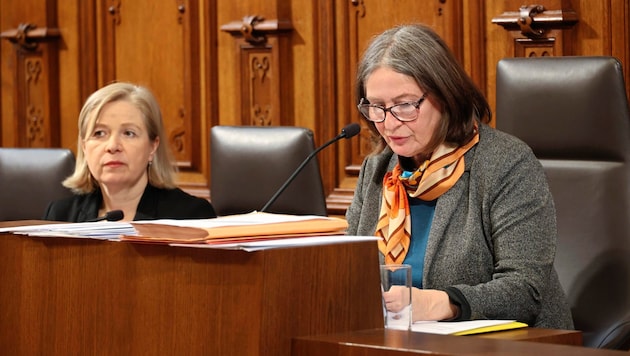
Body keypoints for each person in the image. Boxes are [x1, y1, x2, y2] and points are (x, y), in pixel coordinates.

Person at [346, 23, 573, 329]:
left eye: (404, 105)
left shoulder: (504, 163)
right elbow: (348, 271)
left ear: (445, 94)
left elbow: (524, 291)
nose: (389, 123)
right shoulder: (378, 169)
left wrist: (440, 303)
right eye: (377, 107)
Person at [44, 82, 217, 222]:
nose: (112, 146)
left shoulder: (191, 216)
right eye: (99, 133)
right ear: (84, 147)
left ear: (152, 146)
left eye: (128, 133)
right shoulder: (61, 216)